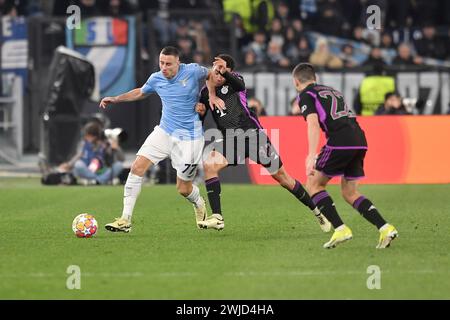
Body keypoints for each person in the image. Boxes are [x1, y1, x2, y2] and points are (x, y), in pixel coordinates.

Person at [195, 54, 331, 232]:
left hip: (253, 136)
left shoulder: (236, 82)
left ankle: (317, 212)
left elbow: (239, 85)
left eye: (222, 71)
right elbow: (201, 118)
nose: (218, 75)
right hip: (232, 139)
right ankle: (218, 217)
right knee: (210, 165)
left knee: (283, 179)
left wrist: (224, 73)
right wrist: (199, 112)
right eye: (216, 70)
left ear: (230, 71)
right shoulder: (206, 93)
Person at [99, 46, 215, 233]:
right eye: (161, 63)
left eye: (168, 64)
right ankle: (125, 219)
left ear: (178, 63)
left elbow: (211, 74)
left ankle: (198, 202)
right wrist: (116, 98)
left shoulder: (192, 70)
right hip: (164, 131)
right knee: (137, 167)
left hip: (190, 138)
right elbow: (140, 92)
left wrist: (209, 97)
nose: (164, 67)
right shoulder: (156, 78)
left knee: (183, 188)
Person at [292, 63, 398, 249]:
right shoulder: (333, 91)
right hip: (359, 139)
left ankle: (340, 229)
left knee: (313, 184)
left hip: (340, 141)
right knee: (349, 192)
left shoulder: (305, 95)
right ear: (314, 78)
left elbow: (313, 123)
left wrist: (311, 155)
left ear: (296, 82)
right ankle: (385, 227)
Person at [58, 121, 124, 185]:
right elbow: (78, 156)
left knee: (119, 165)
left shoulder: (105, 144)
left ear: (95, 136)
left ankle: (96, 181)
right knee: (78, 165)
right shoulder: (83, 143)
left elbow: (121, 159)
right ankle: (99, 180)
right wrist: (68, 164)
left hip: (102, 170)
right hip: (88, 170)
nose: (85, 137)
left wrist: (117, 148)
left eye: (88, 135)